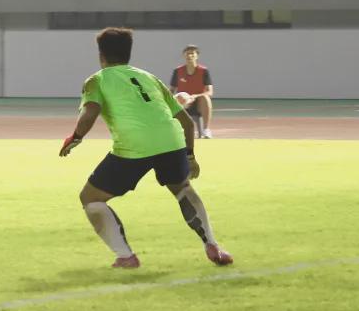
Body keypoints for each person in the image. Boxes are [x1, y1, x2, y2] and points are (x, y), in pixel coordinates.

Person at [59, 28, 234, 269]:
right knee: (182, 188)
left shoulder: (96, 80)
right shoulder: (149, 77)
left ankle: (126, 256)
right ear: (128, 54)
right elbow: (186, 122)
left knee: (90, 198)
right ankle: (212, 245)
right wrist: (190, 156)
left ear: (101, 55)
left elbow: (90, 113)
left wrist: (75, 137)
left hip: (133, 148)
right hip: (171, 142)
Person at [170, 45, 214, 139]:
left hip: (197, 104)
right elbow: (171, 91)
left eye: (192, 54)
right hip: (182, 104)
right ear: (184, 56)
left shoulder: (204, 71)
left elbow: (210, 92)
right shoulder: (178, 71)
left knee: (205, 98)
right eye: (187, 54)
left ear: (197, 56)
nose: (190, 56)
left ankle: (206, 130)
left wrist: (195, 96)